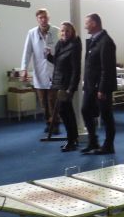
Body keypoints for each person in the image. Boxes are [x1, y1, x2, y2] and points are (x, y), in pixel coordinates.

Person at [80, 13, 117, 155]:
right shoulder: (94, 40)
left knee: (106, 115)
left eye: (87, 23)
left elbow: (106, 68)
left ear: (94, 23)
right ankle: (93, 142)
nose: (85, 26)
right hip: (91, 86)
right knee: (85, 110)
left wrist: (102, 89)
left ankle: (108, 145)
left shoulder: (106, 42)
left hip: (101, 87)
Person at [22, 8, 61, 136]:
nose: (43, 20)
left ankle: (55, 124)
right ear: (37, 19)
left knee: (52, 100)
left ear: (49, 18)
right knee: (43, 101)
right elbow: (27, 52)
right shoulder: (32, 33)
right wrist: (24, 69)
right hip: (39, 72)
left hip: (53, 71)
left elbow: (62, 51)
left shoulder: (57, 31)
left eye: (45, 17)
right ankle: (48, 123)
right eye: (40, 18)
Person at [47, 22, 82, 152]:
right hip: (59, 82)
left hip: (66, 84)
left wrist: (71, 88)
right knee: (67, 112)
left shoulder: (74, 46)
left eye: (67, 31)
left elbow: (76, 70)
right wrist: (49, 56)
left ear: (72, 32)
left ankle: (71, 140)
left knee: (64, 111)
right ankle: (73, 138)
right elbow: (58, 62)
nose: (64, 33)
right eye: (62, 31)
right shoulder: (60, 44)